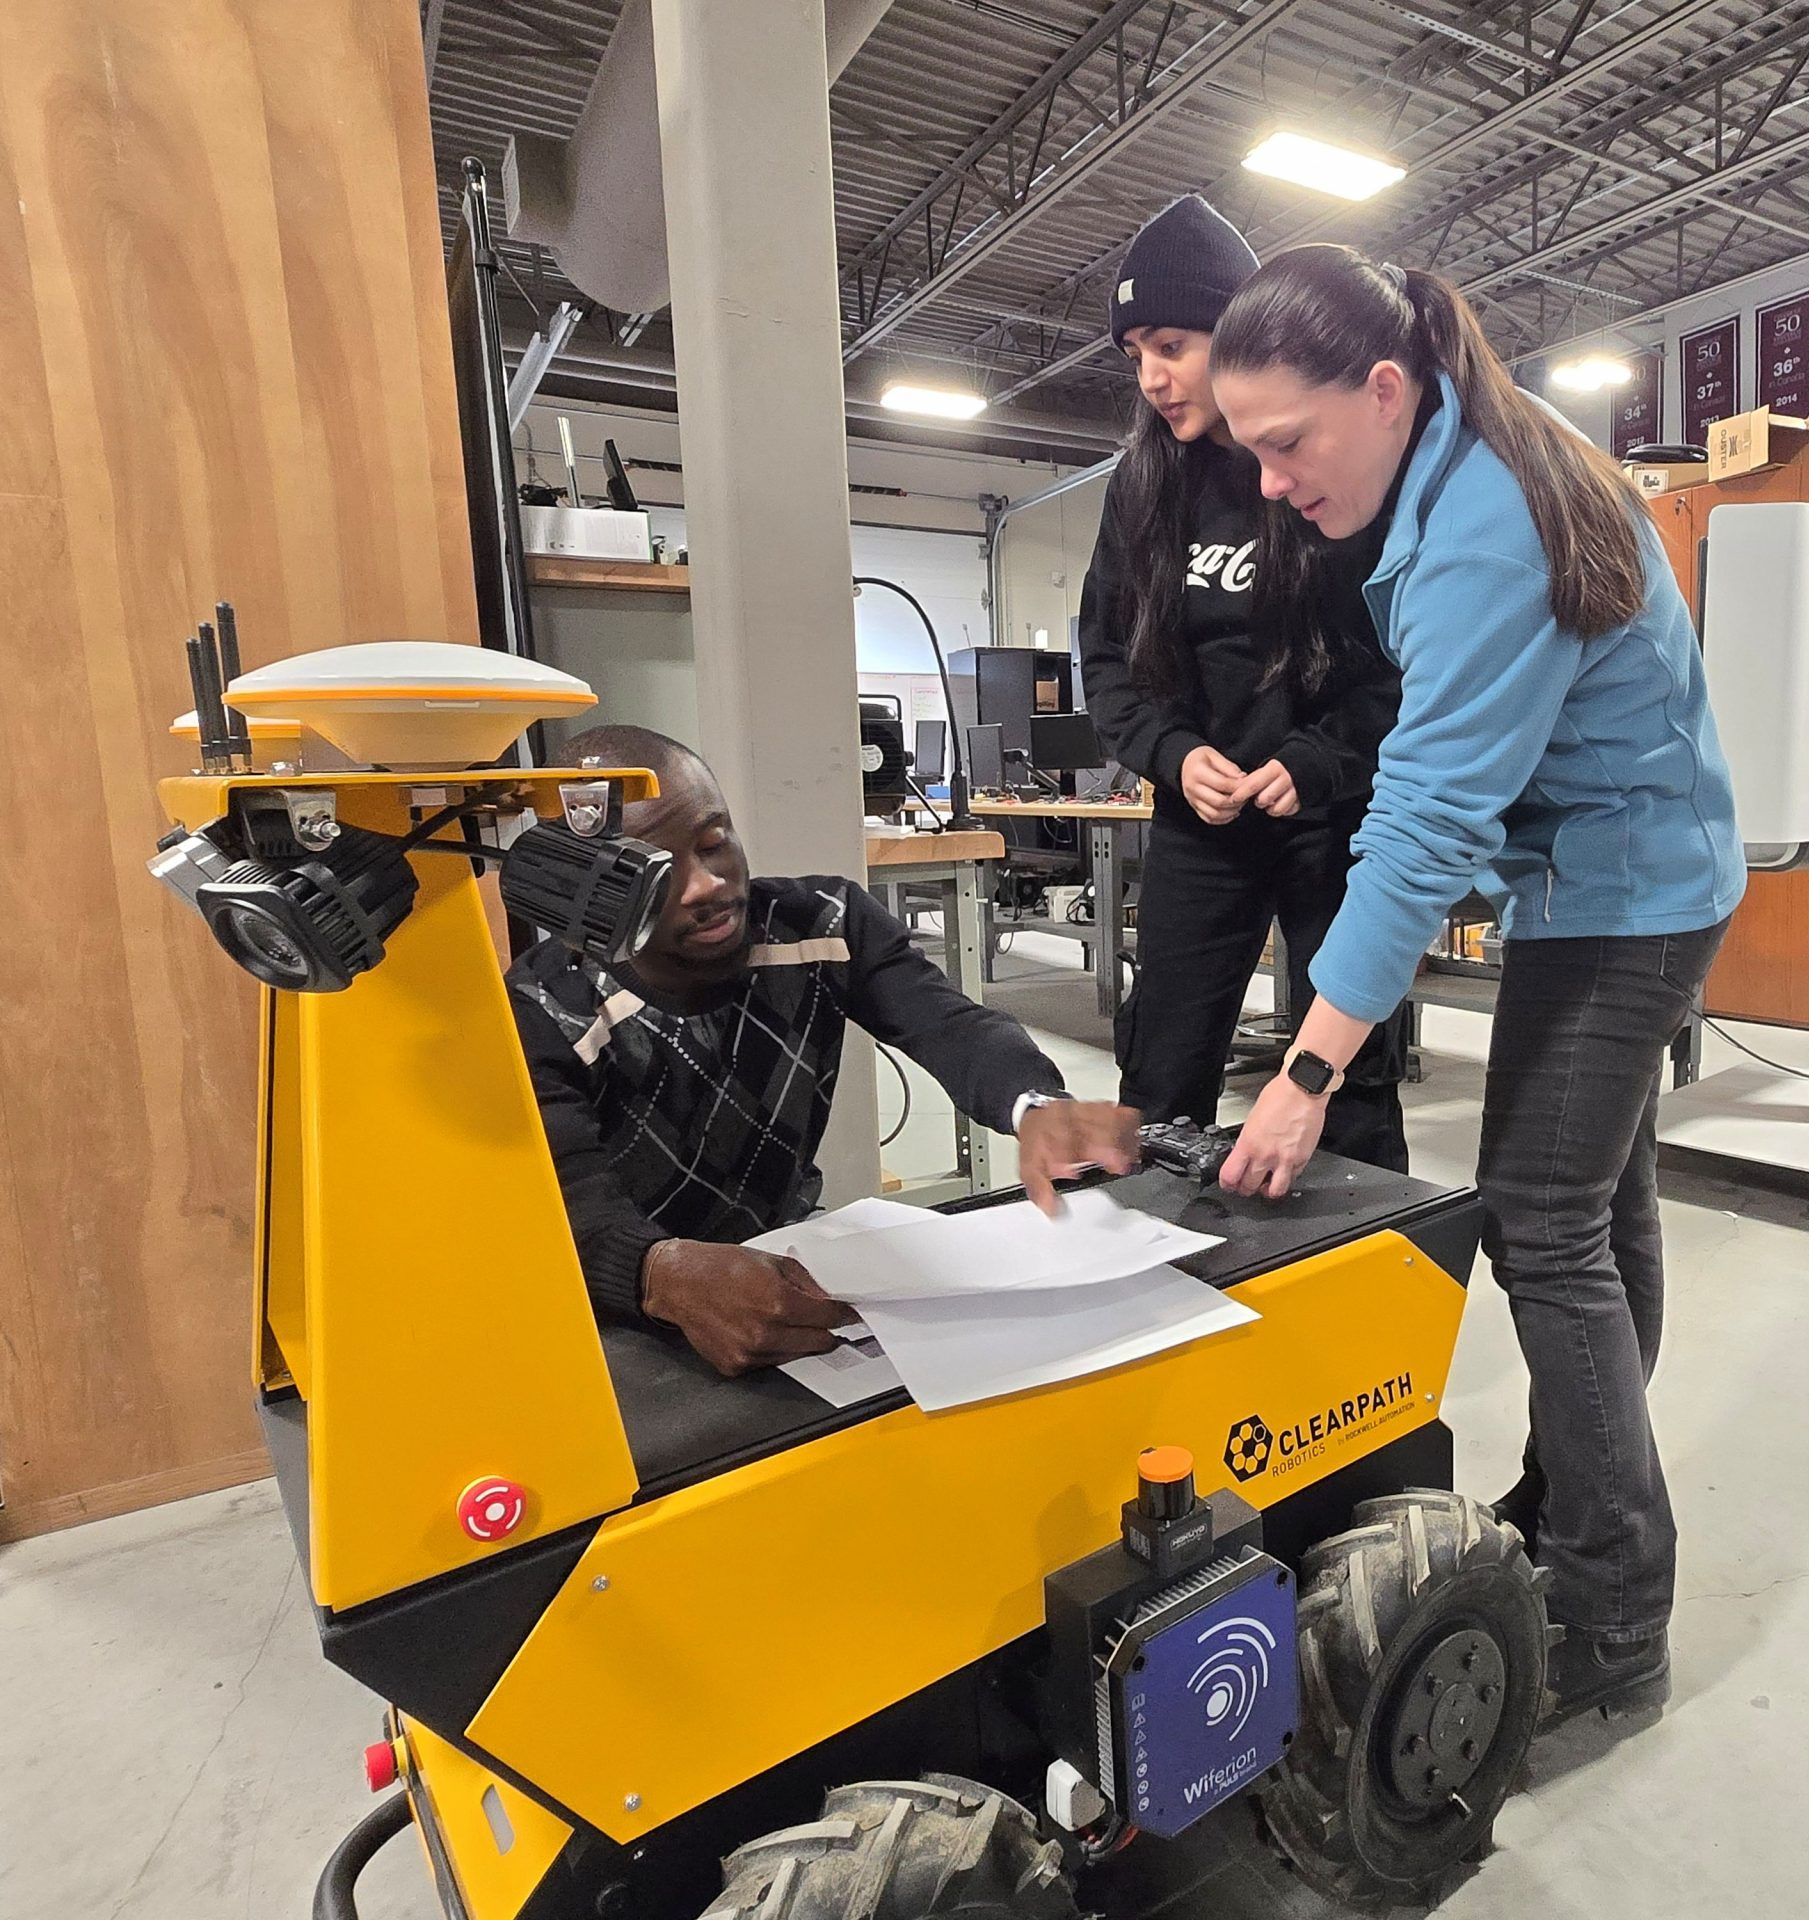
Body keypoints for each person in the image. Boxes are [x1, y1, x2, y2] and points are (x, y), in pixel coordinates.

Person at [1208, 247, 1744, 1723]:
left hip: (1623, 900)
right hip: (1621, 877)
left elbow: (1430, 812)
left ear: (1385, 389)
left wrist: (1307, 1068)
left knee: (1541, 1222)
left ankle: (1610, 1609)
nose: (1270, 481)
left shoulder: (1483, 529)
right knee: (1596, 1210)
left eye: (1286, 443)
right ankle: (1579, 1506)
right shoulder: (1475, 458)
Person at [510, 725, 1138, 1377]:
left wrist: (1034, 1104)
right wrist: (657, 1275)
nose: (705, 886)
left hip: (791, 1271)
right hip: (631, 1315)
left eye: (714, 842)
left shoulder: (822, 923)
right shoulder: (545, 1007)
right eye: (657, 872)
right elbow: (569, 1203)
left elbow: (948, 1025)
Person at [1075, 194, 1409, 1171]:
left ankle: (1363, 1290)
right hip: (1202, 826)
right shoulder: (1142, 489)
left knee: (1350, 1075)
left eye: (1171, 344)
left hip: (1332, 821)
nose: (1151, 376)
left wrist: (1318, 760)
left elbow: (1402, 666)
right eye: (1135, 351)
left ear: (1240, 337)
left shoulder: (1332, 471)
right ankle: (1153, 1291)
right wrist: (1174, 758)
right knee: (1160, 1071)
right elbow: (1110, 666)